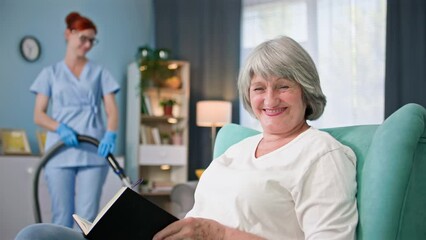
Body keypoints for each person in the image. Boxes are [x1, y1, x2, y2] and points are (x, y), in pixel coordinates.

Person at [16, 36, 357, 240]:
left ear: (306, 91)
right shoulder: (236, 150)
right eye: (259, 88)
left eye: (283, 86)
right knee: (38, 235)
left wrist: (218, 234)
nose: (269, 100)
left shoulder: (321, 155)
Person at [29, 11, 120, 228]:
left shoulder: (100, 73)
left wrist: (110, 133)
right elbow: (38, 114)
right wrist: (60, 128)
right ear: (69, 34)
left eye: (92, 40)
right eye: (83, 38)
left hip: (93, 150)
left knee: (86, 219)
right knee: (61, 216)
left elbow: (112, 110)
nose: (87, 45)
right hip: (59, 151)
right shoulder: (50, 73)